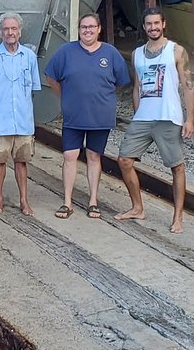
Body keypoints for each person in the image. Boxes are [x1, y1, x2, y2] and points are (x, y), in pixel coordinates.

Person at [117, 7, 194, 233]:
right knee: (124, 160)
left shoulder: (176, 51)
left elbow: (188, 86)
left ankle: (178, 217)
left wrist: (189, 119)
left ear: (163, 24)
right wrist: (137, 114)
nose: (153, 27)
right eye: (149, 24)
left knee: (177, 166)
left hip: (168, 117)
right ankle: (137, 207)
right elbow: (137, 87)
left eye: (156, 23)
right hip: (144, 117)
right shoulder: (137, 54)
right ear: (144, 27)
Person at [43, 12, 129, 219]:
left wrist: (102, 95)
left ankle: (93, 202)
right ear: (79, 29)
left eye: (91, 27)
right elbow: (51, 77)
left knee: (93, 156)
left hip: (100, 117)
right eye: (83, 27)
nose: (87, 30)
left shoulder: (110, 53)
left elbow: (121, 82)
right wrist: (66, 96)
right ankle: (67, 202)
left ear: (99, 29)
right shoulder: (66, 51)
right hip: (73, 115)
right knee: (69, 155)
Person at [0, 12, 42, 216]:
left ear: (20, 31)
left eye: (13, 28)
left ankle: (24, 200)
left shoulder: (29, 56)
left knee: (21, 161)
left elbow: (34, 88)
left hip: (23, 119)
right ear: (0, 32)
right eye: (6, 29)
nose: (10, 32)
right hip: (0, 120)